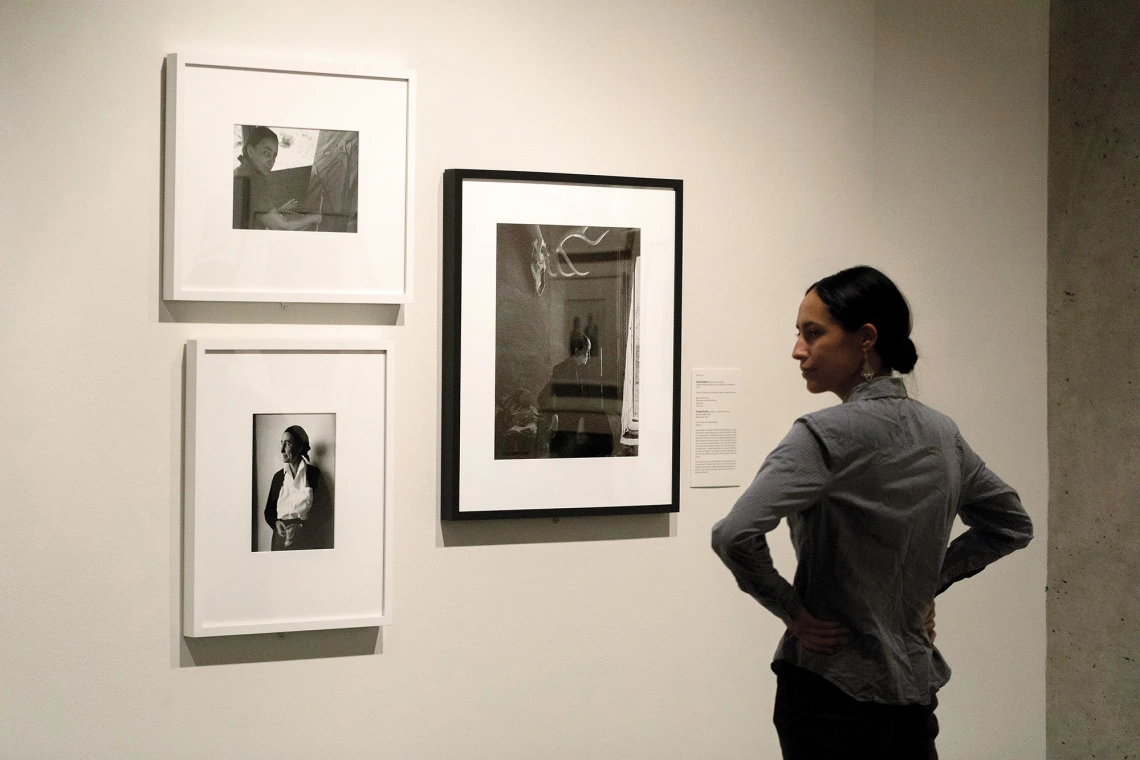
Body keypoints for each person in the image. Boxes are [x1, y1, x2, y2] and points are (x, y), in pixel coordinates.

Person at [711, 266, 1033, 759]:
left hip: (830, 688)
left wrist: (792, 612)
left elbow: (734, 533)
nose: (798, 350)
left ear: (865, 339)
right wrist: (924, 586)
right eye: (799, 334)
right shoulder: (941, 433)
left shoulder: (821, 435)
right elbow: (1011, 524)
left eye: (812, 333)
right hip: (911, 692)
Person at [538, 334, 618, 458]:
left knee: (602, 418)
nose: (589, 356)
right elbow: (542, 397)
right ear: (577, 351)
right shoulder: (560, 370)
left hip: (580, 417)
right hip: (568, 422)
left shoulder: (582, 369)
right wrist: (554, 415)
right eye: (587, 352)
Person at [233, 126, 323, 231]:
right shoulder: (252, 180)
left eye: (274, 156)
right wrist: (314, 218)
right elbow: (282, 226)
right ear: (250, 151)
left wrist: (278, 210)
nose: (271, 161)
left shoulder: (242, 171)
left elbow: (253, 213)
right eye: (266, 153)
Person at [263, 425, 333, 551]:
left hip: (307, 539)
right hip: (280, 539)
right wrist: (276, 524)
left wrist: (301, 527)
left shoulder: (314, 475)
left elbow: (326, 511)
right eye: (281, 443)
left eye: (288, 444)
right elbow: (269, 512)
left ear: (300, 447)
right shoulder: (278, 478)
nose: (282, 450)